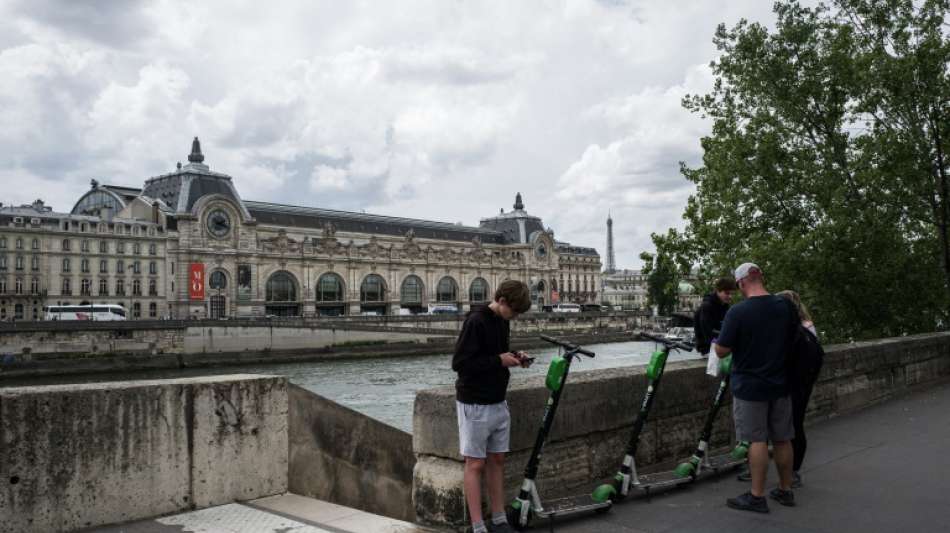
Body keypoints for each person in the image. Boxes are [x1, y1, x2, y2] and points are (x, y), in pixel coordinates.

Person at [715, 262, 799, 513]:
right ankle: (786, 490)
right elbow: (794, 337)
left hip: (751, 385)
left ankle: (757, 496)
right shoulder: (785, 306)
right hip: (781, 381)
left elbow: (721, 350)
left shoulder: (738, 312)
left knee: (756, 440)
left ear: (741, 284)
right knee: (783, 438)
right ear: (760, 276)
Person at [452, 280, 534, 533]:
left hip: (498, 400)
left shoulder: (502, 320)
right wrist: (499, 360)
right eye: (515, 311)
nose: (515, 316)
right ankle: (478, 526)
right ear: (501, 301)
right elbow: (461, 363)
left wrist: (514, 356)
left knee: (497, 459)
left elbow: (495, 354)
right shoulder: (476, 321)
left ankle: (499, 519)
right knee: (475, 464)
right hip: (475, 402)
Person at [776, 289, 823, 489]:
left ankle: (791, 472)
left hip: (791, 385)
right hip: (803, 383)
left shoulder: (792, 330)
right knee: (795, 426)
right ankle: (792, 471)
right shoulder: (807, 329)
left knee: (790, 429)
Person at [694, 277, 738, 355]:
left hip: (718, 346)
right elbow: (708, 332)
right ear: (718, 291)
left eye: (732, 294)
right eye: (727, 293)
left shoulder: (724, 305)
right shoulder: (707, 306)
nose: (730, 296)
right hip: (707, 349)